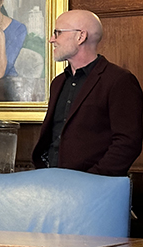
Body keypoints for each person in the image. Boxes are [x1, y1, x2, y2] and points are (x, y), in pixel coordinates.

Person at [32, 10, 143, 176]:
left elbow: (127, 142)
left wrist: (92, 180)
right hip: (50, 183)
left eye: (58, 32)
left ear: (81, 37)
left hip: (93, 188)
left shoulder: (119, 80)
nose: (51, 39)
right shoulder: (58, 83)